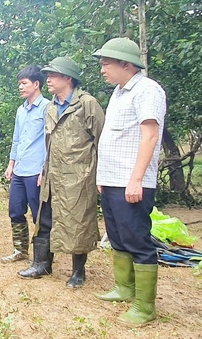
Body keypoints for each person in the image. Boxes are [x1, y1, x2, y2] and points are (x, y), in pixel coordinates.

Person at [93, 38, 166, 326]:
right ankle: (125, 288)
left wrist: (136, 180)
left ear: (126, 64)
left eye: (106, 64)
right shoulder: (119, 93)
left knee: (137, 238)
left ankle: (146, 307)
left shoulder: (148, 91)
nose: (102, 70)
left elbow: (150, 136)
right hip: (113, 179)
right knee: (118, 235)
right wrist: (103, 177)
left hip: (131, 180)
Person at [18, 57, 104, 289]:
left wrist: (100, 175)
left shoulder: (87, 104)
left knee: (78, 221)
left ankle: (78, 271)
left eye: (53, 76)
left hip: (79, 176)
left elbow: (101, 141)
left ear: (68, 78)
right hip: (52, 174)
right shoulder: (51, 107)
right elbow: (49, 142)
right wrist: (44, 170)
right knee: (44, 218)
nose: (48, 80)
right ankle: (42, 264)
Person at [2, 66, 50, 263]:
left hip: (36, 170)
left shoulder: (48, 107)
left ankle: (43, 256)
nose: (20, 87)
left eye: (24, 83)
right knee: (15, 210)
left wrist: (44, 169)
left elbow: (51, 141)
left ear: (36, 84)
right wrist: (11, 163)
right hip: (20, 169)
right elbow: (17, 139)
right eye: (19, 83)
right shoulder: (21, 110)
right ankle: (20, 249)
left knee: (39, 214)